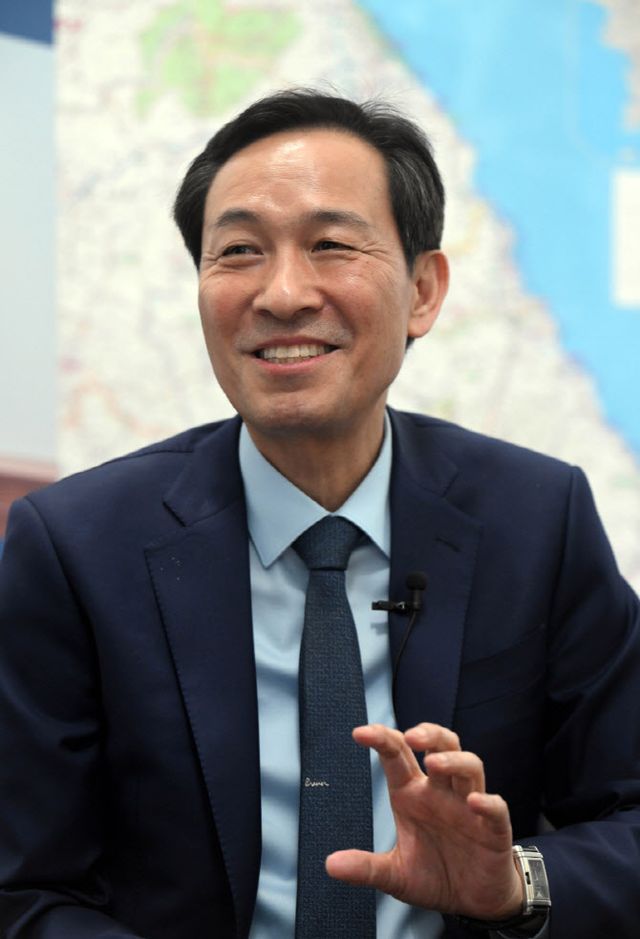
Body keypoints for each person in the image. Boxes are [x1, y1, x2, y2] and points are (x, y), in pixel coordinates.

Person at [1, 89, 639, 939]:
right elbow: (26, 889)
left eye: (331, 245)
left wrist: (512, 885)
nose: (282, 293)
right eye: (239, 251)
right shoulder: (74, 547)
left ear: (423, 289)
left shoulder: (538, 521)